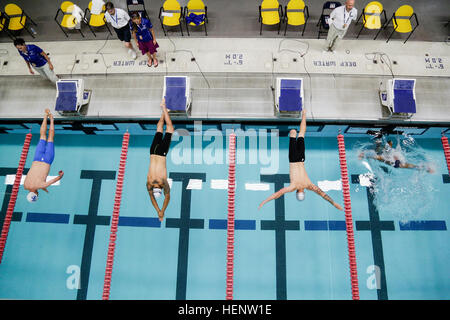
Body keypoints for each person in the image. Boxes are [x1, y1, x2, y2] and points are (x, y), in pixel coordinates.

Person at [258, 110, 344, 211]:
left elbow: (323, 195)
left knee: (302, 134)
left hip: (301, 158)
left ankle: (304, 114)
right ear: (297, 192)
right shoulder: (292, 187)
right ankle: (293, 123)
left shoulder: (309, 185)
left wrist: (334, 203)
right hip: (293, 159)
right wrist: (264, 201)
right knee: (293, 133)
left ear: (303, 192)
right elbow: (278, 194)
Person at [24, 109, 64, 203]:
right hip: (37, 159)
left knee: (50, 138)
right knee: (42, 136)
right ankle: (46, 116)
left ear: (36, 195)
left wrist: (60, 176)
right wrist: (42, 187)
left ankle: (52, 120)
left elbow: (53, 181)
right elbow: (34, 185)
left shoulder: (42, 185)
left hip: (47, 160)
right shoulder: (26, 185)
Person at [147, 98, 174, 221]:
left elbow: (167, 197)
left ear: (161, 189)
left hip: (161, 153)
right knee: (159, 129)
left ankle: (164, 108)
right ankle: (164, 111)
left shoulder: (164, 182)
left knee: (170, 129)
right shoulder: (149, 182)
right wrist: (158, 211)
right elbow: (151, 197)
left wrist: (162, 211)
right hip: (152, 152)